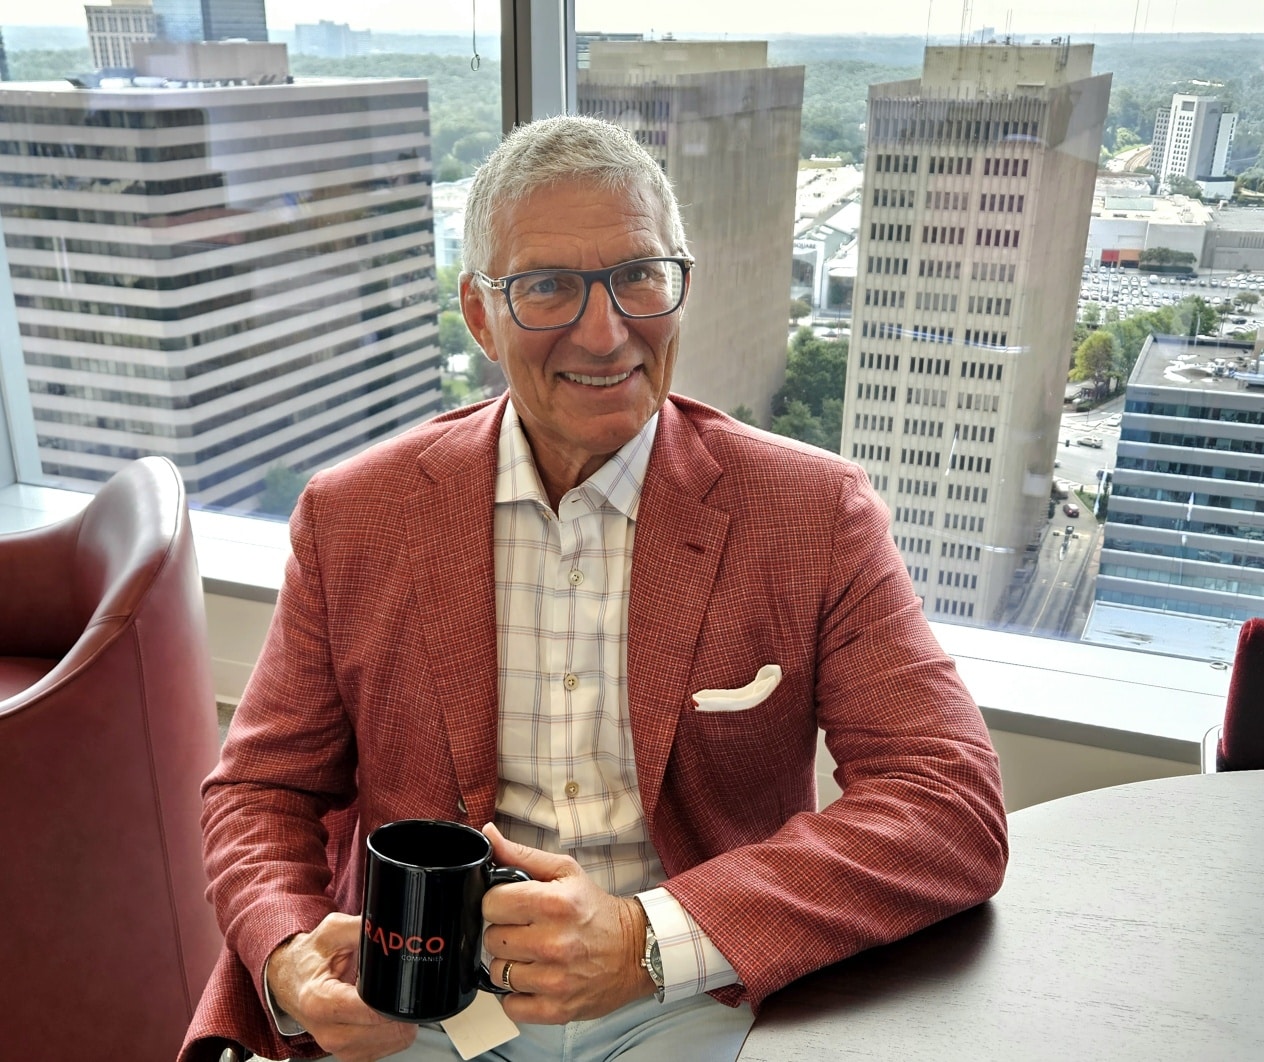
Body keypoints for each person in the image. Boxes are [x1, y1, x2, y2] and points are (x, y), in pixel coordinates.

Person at [180, 114, 1008, 1062]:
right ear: (480, 315)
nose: (607, 330)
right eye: (548, 287)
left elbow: (947, 801)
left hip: (706, 989)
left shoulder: (810, 513)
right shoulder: (355, 514)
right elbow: (258, 791)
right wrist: (290, 958)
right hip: (429, 999)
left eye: (638, 276)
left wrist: (650, 940)